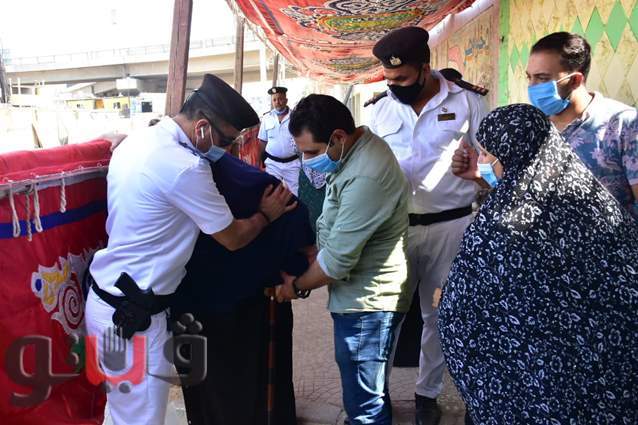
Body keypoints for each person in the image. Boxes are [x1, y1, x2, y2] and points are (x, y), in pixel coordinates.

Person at [85, 74, 294, 425]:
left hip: (110, 303)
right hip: (132, 320)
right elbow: (232, 237)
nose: (228, 151)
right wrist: (265, 215)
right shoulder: (185, 167)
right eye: (226, 141)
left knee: (124, 412)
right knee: (139, 419)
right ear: (201, 127)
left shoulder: (140, 139)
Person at [438, 104, 638, 424]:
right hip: (611, 372)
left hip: (540, 383)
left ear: (511, 157)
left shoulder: (504, 223)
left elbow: (471, 303)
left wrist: (447, 296)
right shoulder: (590, 197)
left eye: (487, 154)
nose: (482, 161)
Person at [369, 26, 488, 425]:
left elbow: (493, 163)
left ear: (425, 67)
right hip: (396, 231)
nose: (394, 86)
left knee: (438, 313)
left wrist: (476, 170)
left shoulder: (469, 102)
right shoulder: (380, 108)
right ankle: (377, 394)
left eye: (402, 78)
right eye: (388, 79)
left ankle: (427, 394)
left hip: (451, 230)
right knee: (389, 314)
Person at [278, 94, 412, 425]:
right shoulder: (357, 150)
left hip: (367, 302)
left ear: (338, 137)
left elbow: (337, 261)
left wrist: (294, 286)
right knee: (368, 389)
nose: (307, 160)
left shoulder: (366, 175)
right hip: (361, 295)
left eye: (312, 152)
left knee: (364, 406)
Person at [172, 146, 316, 425]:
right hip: (240, 306)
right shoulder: (228, 175)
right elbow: (290, 224)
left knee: (209, 393)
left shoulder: (166, 167)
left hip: (194, 304)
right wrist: (294, 270)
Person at [452, 32, 638, 219]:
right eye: (529, 77)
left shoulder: (623, 125)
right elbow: (518, 192)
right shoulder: (531, 128)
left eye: (542, 78)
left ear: (575, 80)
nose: (532, 87)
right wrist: (479, 176)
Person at [258, 86, 302, 195]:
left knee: (295, 194)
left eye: (280, 99)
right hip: (272, 164)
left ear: (286, 100)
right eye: (274, 100)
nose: (277, 102)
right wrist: (260, 161)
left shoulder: (295, 117)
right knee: (272, 192)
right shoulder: (266, 118)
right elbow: (262, 141)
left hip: (292, 164)